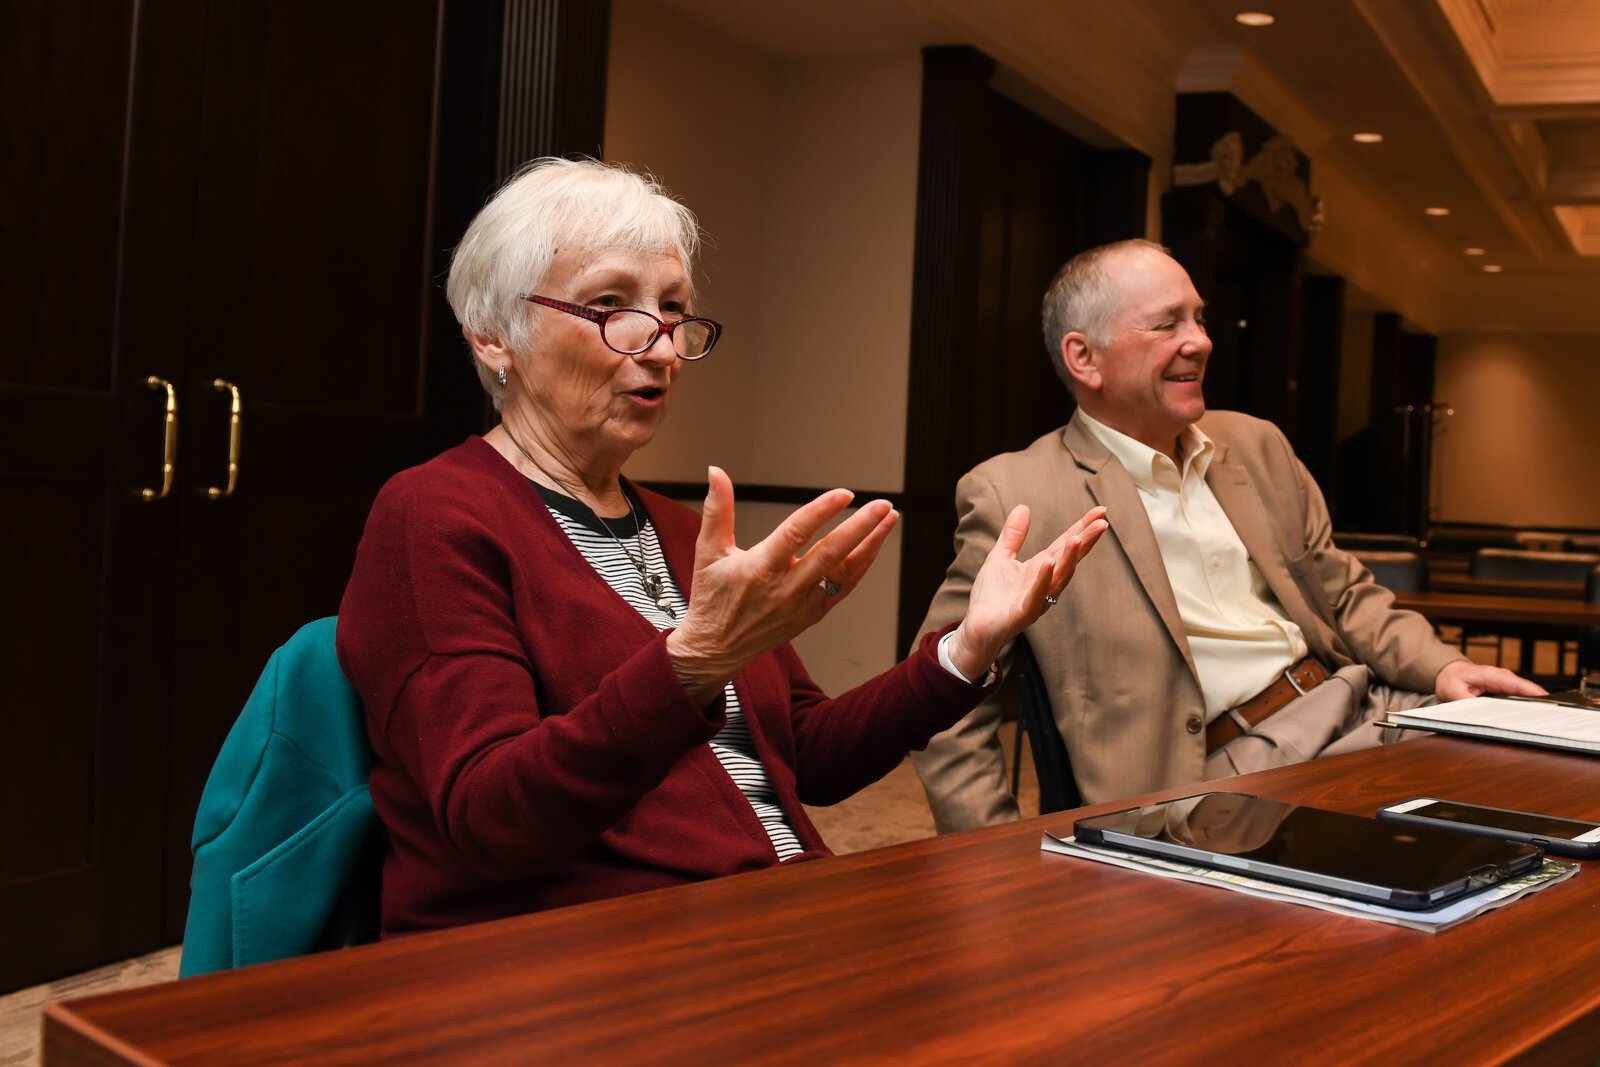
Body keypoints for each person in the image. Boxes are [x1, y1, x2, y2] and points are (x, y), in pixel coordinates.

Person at [336, 158, 1108, 935]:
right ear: (494, 335)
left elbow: (808, 753)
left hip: (773, 913)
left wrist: (965, 651)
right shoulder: (435, 513)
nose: (665, 349)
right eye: (612, 305)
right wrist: (691, 663)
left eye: (673, 310)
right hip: (589, 955)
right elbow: (488, 817)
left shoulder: (680, 528)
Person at [911, 238, 1543, 832]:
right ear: (1084, 358)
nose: (1201, 342)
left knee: (1537, 761)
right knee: (1470, 836)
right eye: (1168, 324)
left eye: (1200, 319)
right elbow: (943, 702)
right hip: (1224, 775)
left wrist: (1446, 668)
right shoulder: (1017, 494)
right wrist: (996, 862)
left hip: (1360, 701)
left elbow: (1345, 595)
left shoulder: (1257, 444)